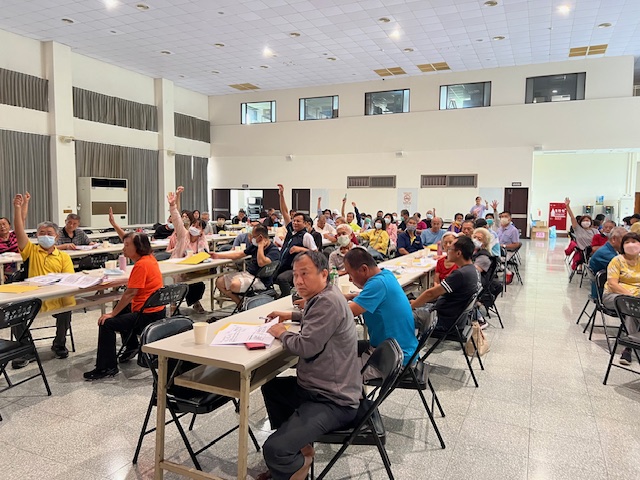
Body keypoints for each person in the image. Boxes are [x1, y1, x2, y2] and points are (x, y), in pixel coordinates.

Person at [259, 251, 361, 480]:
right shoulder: (327, 294)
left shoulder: (327, 301)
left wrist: (281, 332)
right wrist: (291, 315)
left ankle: (297, 463)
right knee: (272, 388)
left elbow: (305, 347)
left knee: (274, 450)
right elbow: (314, 318)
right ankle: (301, 449)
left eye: (304, 274)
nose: (298, 281)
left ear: (324, 274)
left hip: (333, 400)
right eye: (295, 275)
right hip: (319, 387)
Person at [84, 232, 165, 380]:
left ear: (138, 247)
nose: (123, 248)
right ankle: (132, 345)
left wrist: (112, 314)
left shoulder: (141, 265)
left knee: (106, 323)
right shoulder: (150, 259)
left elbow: (130, 293)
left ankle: (106, 367)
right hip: (157, 311)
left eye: (127, 245)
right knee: (121, 308)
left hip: (147, 316)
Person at [10, 194, 76, 368]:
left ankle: (59, 344)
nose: (45, 236)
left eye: (49, 233)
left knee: (67, 309)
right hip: (33, 299)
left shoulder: (63, 257)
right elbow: (19, 230)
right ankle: (26, 349)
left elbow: (68, 279)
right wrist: (18, 208)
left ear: (56, 237)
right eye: (41, 233)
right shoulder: (30, 251)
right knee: (14, 315)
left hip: (55, 299)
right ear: (36, 236)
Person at [343, 248, 418, 366]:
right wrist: (350, 296)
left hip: (395, 358)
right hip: (403, 348)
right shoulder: (386, 274)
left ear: (364, 269)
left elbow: (345, 313)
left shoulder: (377, 284)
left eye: (350, 274)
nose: (350, 279)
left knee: (337, 366)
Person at [410, 236, 481, 332]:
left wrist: (412, 306)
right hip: (455, 318)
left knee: (399, 315)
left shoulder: (460, 274)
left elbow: (431, 293)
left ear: (458, 253)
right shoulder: (473, 270)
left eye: (450, 249)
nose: (447, 251)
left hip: (441, 319)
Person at [212, 225, 280, 306]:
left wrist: (260, 246)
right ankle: (240, 304)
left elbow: (261, 262)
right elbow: (239, 254)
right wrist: (218, 255)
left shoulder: (274, 250)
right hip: (248, 273)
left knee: (234, 285)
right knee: (219, 282)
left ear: (260, 237)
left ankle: (246, 303)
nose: (251, 239)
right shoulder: (254, 246)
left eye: (253, 237)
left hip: (261, 280)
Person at [167, 188, 209, 313]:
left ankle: (195, 302)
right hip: (177, 269)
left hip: (193, 270)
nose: (194, 228)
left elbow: (205, 254)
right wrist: (172, 206)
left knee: (199, 284)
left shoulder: (202, 239)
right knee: (179, 285)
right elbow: (177, 220)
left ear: (202, 231)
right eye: (193, 225)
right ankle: (173, 306)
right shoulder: (183, 235)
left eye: (198, 227)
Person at [602, 232, 640, 366]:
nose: (631, 245)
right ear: (622, 246)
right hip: (614, 295)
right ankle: (629, 347)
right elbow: (613, 284)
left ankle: (629, 344)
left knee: (633, 310)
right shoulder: (617, 260)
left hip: (635, 298)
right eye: (627, 242)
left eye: (634, 241)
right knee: (631, 306)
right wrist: (630, 295)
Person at [275, 184, 318, 297]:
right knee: (268, 276)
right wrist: (281, 195)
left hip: (294, 268)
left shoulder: (306, 236)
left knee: (282, 279)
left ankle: (286, 298)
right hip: (282, 264)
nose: (295, 223)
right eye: (294, 221)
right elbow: (284, 212)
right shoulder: (290, 231)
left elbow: (315, 252)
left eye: (298, 221)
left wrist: (300, 249)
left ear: (305, 223)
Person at [589, 226, 626, 300]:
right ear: (614, 239)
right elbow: (625, 270)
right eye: (625, 240)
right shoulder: (606, 254)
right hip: (603, 291)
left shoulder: (609, 249)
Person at [565, 198, 597, 271]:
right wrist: (567, 206)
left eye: (587, 220)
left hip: (594, 251)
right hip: (583, 252)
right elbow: (572, 217)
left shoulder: (595, 231)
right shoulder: (578, 229)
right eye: (584, 220)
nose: (586, 222)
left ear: (590, 222)